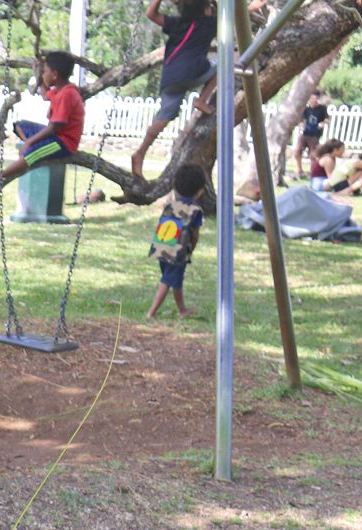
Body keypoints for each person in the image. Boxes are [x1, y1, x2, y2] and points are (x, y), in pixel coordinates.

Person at [0, 52, 84, 212]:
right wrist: (38, 74)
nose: (43, 74)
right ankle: (29, 153)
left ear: (55, 75)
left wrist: (30, 142)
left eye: (45, 71)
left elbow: (54, 127)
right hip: (55, 136)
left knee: (31, 153)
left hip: (64, 142)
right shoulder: (60, 89)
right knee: (20, 125)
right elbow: (45, 95)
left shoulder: (68, 94)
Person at [129, 0, 219, 179]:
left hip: (170, 77)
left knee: (164, 116)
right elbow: (233, 14)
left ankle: (140, 152)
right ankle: (202, 100)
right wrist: (254, 7)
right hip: (193, 71)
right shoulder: (210, 23)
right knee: (222, 66)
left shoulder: (177, 23)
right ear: (205, 10)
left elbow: (150, 14)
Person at [148, 164, 208, 319]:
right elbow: (194, 233)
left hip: (162, 245)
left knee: (175, 280)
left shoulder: (170, 204)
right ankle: (151, 312)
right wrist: (191, 248)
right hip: (178, 251)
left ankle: (182, 310)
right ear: (200, 190)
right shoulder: (195, 210)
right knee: (167, 280)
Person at [291, 90, 329, 180]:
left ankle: (312, 172)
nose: (313, 100)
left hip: (315, 134)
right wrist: (301, 125)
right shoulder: (306, 109)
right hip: (305, 133)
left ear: (318, 99)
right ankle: (300, 170)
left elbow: (327, 119)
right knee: (297, 150)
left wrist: (322, 124)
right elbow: (301, 120)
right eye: (311, 98)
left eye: (315, 98)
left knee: (313, 154)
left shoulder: (322, 109)